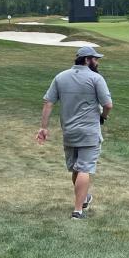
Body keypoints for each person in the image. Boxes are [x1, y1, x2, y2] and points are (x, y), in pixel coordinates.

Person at [37, 46, 113, 220]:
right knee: (85, 168)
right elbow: (108, 105)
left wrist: (43, 127)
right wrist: (103, 117)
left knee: (77, 168)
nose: (97, 62)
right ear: (87, 60)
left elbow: (48, 102)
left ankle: (84, 197)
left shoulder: (61, 77)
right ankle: (78, 211)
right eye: (95, 59)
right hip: (89, 132)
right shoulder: (96, 78)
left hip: (69, 132)